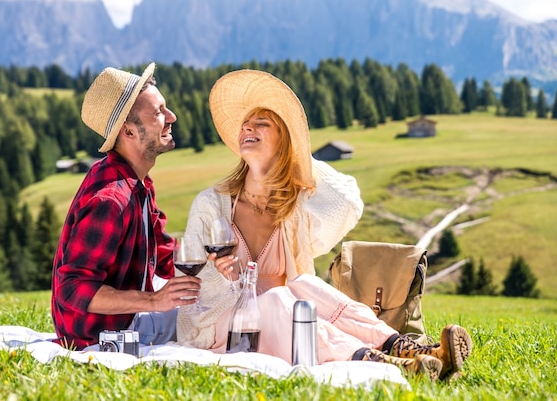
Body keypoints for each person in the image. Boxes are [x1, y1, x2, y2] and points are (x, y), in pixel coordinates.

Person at [176, 69, 472, 381]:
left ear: (285, 141)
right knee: (278, 297)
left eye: (262, 123)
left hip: (286, 322)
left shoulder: (292, 208)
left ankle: (411, 351)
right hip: (219, 330)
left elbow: (348, 199)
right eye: (245, 125)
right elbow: (191, 288)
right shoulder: (211, 204)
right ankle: (379, 363)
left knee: (303, 284)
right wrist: (219, 277)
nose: (248, 127)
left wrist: (295, 158)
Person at [51, 64, 202, 350]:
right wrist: (156, 301)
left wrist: (211, 263)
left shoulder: (137, 182)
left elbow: (163, 252)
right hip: (101, 335)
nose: (172, 117)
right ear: (128, 131)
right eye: (158, 112)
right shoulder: (110, 201)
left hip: (126, 319)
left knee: (216, 303)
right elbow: (70, 289)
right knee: (217, 317)